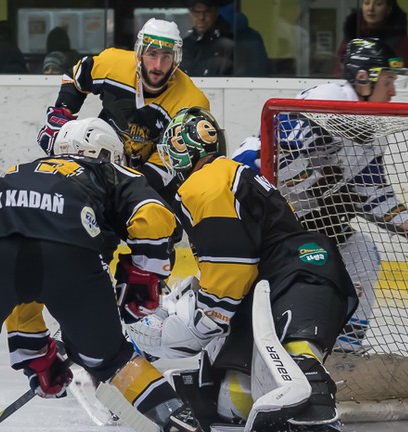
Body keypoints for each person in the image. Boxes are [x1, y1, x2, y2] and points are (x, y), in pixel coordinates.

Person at [0, 118, 200, 432]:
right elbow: (154, 216)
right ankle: (178, 421)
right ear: (104, 153)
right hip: (67, 251)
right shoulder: (109, 170)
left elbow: (21, 283)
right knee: (114, 360)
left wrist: (36, 357)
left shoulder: (16, 173)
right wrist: (144, 276)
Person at [125, 107, 358, 431]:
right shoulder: (223, 174)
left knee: (293, 363)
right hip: (274, 282)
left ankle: (319, 423)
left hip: (298, 272)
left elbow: (227, 285)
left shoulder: (204, 184)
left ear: (181, 150)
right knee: (229, 393)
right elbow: (233, 274)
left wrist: (178, 330)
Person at [231, 38, 408, 352]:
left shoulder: (370, 131)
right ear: (363, 79)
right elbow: (274, 156)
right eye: (388, 81)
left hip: (297, 216)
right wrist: (320, 188)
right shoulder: (327, 101)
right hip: (245, 201)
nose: (393, 91)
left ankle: (345, 348)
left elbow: (372, 191)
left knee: (363, 255)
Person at [37, 18, 210, 202]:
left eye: (166, 56)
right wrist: (61, 117)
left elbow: (167, 166)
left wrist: (125, 189)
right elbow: (76, 76)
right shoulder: (114, 63)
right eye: (152, 54)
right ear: (139, 52)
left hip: (151, 181)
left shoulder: (191, 103)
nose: (158, 65)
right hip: (103, 157)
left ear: (176, 59)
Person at [181, 0, 270, 77]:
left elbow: (251, 76)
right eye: (196, 12)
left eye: (207, 11)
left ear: (216, 12)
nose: (201, 17)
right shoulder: (185, 44)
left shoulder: (243, 39)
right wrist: (214, 63)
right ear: (190, 14)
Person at [334, 0, 408, 78]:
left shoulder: (400, 40)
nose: (371, 8)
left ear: (388, 9)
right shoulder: (352, 33)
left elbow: (406, 75)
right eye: (366, 3)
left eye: (378, 4)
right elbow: (339, 71)